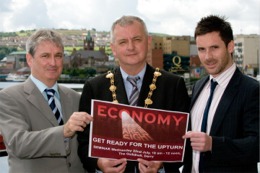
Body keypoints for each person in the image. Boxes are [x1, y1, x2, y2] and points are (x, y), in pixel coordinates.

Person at [77, 15, 190, 173]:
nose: (131, 47)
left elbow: (185, 141)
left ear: (148, 42)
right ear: (113, 49)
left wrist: (162, 163)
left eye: (137, 39)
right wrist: (99, 163)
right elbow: (83, 142)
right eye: (123, 42)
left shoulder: (173, 85)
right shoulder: (95, 87)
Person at [0, 29, 93, 173]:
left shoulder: (75, 97)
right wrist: (64, 131)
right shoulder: (8, 98)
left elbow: (86, 145)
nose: (53, 62)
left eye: (58, 56)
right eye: (45, 56)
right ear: (30, 59)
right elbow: (18, 144)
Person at [182, 15, 259, 172]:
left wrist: (213, 144)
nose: (207, 57)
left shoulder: (252, 90)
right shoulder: (198, 86)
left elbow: (256, 145)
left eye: (214, 48)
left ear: (230, 46)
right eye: (202, 49)